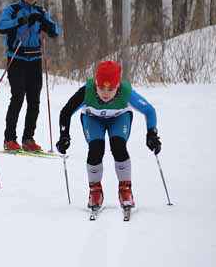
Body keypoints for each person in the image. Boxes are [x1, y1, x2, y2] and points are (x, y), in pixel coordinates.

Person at [55, 60, 161, 210]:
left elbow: (149, 110)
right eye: (101, 88)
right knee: (95, 149)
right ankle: (95, 191)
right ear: (96, 84)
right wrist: (64, 135)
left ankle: (125, 190)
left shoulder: (126, 92)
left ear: (117, 85)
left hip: (119, 119)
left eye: (110, 89)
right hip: (93, 119)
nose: (105, 93)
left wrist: (152, 134)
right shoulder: (87, 91)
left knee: (118, 146)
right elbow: (66, 112)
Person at [0, 0, 61, 152]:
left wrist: (46, 23)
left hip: (34, 59)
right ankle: (9, 139)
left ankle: (28, 139)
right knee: (17, 96)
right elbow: (1, 27)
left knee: (34, 100)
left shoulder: (41, 11)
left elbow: (56, 31)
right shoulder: (13, 9)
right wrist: (22, 20)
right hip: (16, 57)